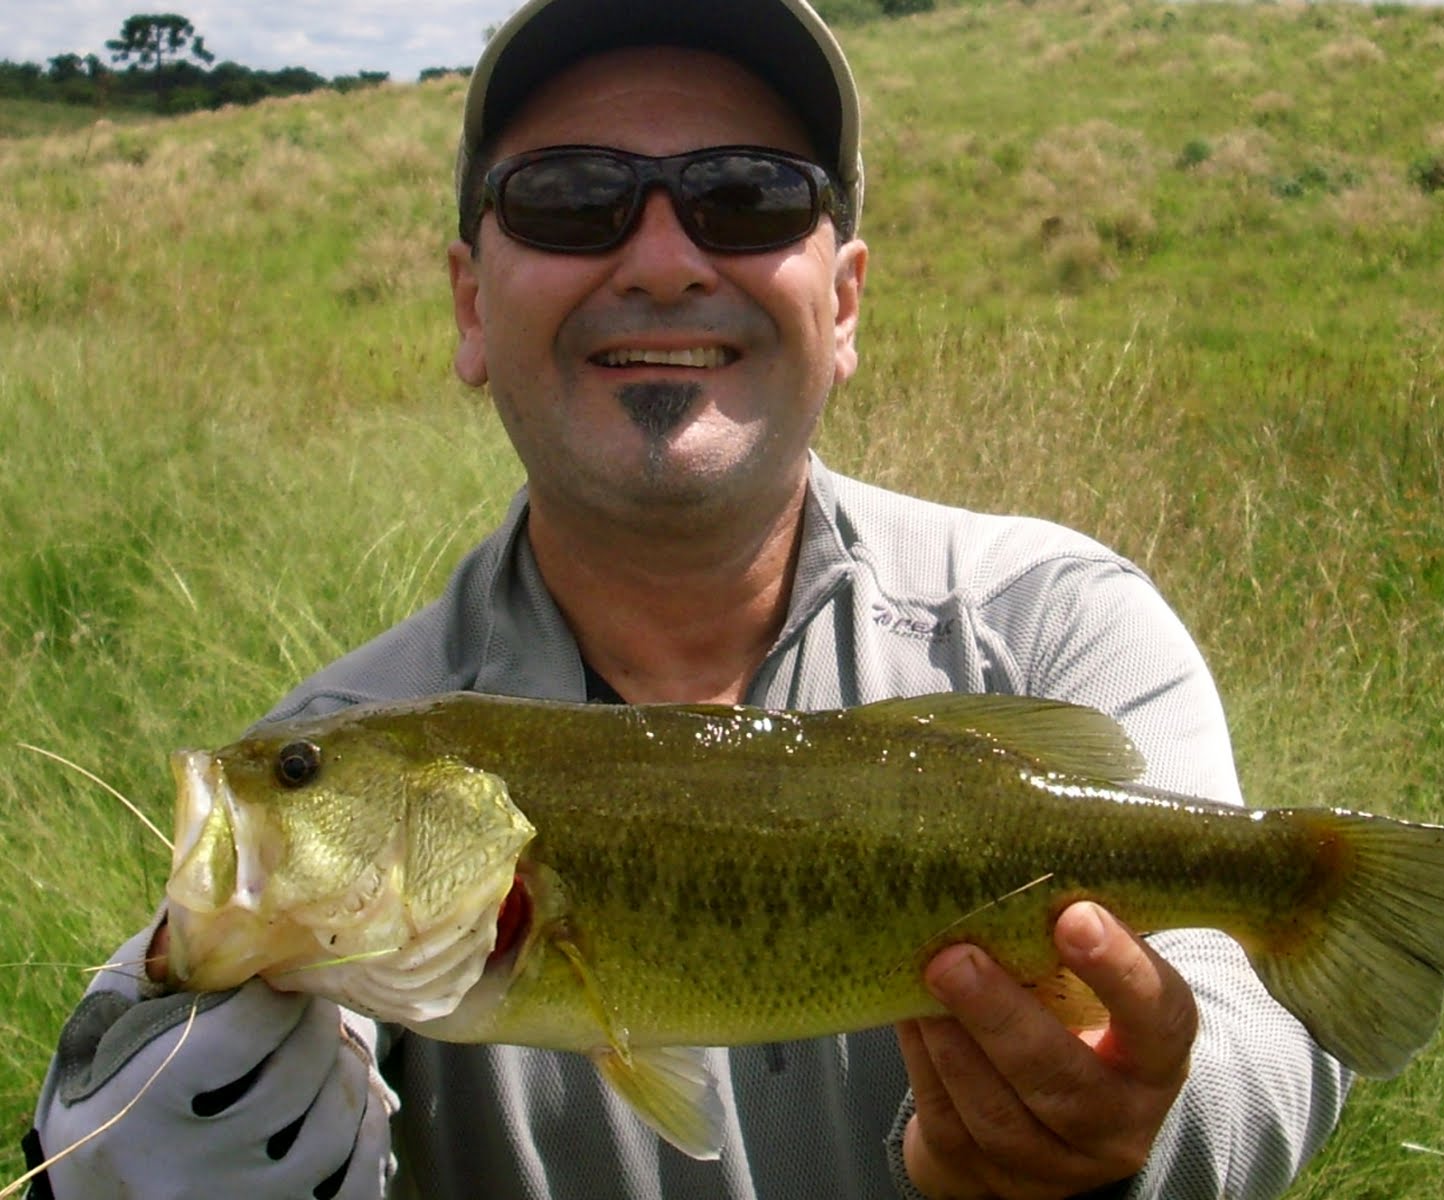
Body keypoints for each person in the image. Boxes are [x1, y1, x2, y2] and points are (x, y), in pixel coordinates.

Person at [27, 0, 1351, 1196]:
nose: (662, 258)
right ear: (469, 306)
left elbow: (1277, 1028)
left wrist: (1144, 1124)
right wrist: (136, 1114)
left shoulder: (1057, 624)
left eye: (749, 195)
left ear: (843, 306)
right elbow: (267, 1058)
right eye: (567, 196)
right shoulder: (357, 730)